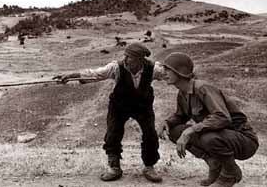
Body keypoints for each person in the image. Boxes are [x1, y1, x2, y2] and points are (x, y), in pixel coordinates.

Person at [57, 42, 164, 182]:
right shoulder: (116, 68)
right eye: (125, 56)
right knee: (113, 133)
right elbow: (95, 74)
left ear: (140, 59)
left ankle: (149, 167)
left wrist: (188, 75)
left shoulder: (153, 69)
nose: (125, 59)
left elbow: (172, 73)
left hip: (143, 106)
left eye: (129, 57)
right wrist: (70, 76)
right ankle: (114, 167)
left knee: (150, 134)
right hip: (119, 106)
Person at [158, 52, 259, 187]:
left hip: (244, 140)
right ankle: (214, 164)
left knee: (208, 137)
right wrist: (167, 123)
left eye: (167, 69)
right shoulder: (182, 92)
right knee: (174, 131)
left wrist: (190, 131)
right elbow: (181, 116)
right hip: (220, 136)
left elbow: (222, 117)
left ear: (180, 71)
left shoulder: (202, 88)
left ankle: (230, 174)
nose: (163, 73)